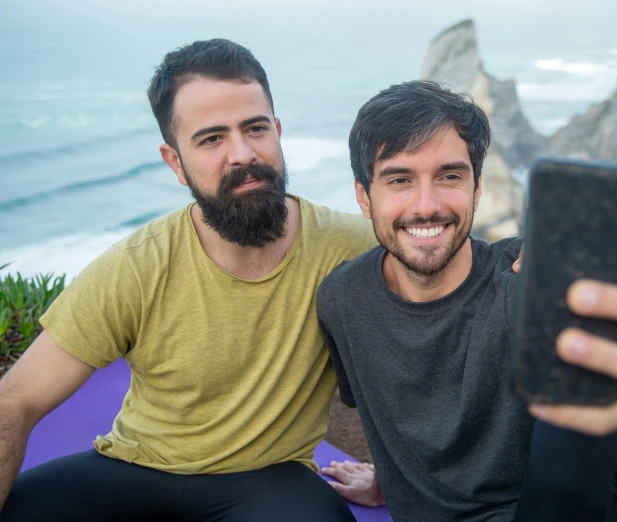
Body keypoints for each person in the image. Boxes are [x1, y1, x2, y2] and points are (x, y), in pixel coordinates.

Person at [0, 39, 381, 522]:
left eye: (255, 128)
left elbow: (452, 274)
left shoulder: (353, 245)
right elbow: (16, 399)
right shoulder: (137, 265)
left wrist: (512, 264)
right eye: (211, 138)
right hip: (136, 468)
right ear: (175, 161)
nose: (242, 153)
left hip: (270, 479)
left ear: (278, 132)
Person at [317, 81, 617, 521]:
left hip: (553, 507)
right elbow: (384, 415)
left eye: (450, 176)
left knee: (586, 418)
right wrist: (385, 482)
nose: (426, 206)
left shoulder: (525, 280)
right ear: (363, 196)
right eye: (399, 180)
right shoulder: (343, 300)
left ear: (477, 187)